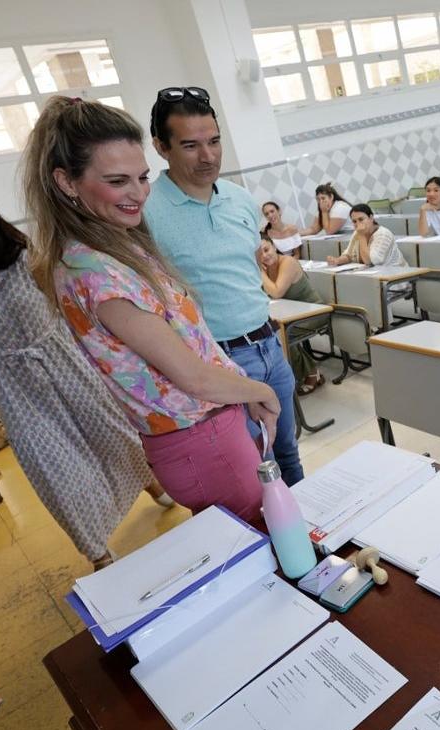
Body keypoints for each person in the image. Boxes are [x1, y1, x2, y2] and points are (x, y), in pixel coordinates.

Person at [24, 95, 279, 522]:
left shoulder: (111, 247)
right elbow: (194, 377)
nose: (138, 193)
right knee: (271, 543)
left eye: (141, 177)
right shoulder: (98, 271)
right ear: (67, 182)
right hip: (202, 438)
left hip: (208, 431)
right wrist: (262, 391)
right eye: (118, 180)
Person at [0, 175, 171, 570]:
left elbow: (60, 300)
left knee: (112, 433)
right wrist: (9, 348)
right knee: (52, 467)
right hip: (14, 381)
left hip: (63, 357)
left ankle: (151, 484)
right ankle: (96, 551)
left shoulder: (24, 253)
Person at [142, 86, 302, 486]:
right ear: (162, 147)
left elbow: (248, 268)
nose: (208, 156)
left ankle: (314, 541)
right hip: (217, 364)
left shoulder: (240, 199)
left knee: (288, 453)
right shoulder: (147, 213)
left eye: (214, 141)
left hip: (268, 344)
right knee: (250, 476)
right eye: (191, 145)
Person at [256, 238, 324, 395]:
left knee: (279, 334)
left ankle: (310, 372)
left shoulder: (288, 262)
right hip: (290, 315)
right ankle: (298, 372)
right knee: (269, 330)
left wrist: (259, 271)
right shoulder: (267, 269)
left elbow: (276, 292)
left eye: (267, 250)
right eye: (259, 254)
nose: (265, 256)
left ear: (274, 246)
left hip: (314, 313)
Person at [326, 204, 407, 268]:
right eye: (354, 221)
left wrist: (361, 235)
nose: (358, 224)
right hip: (374, 276)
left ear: (371, 218)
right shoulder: (357, 233)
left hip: (394, 278)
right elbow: (349, 255)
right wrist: (337, 260)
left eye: (361, 219)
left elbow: (369, 262)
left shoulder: (383, 234)